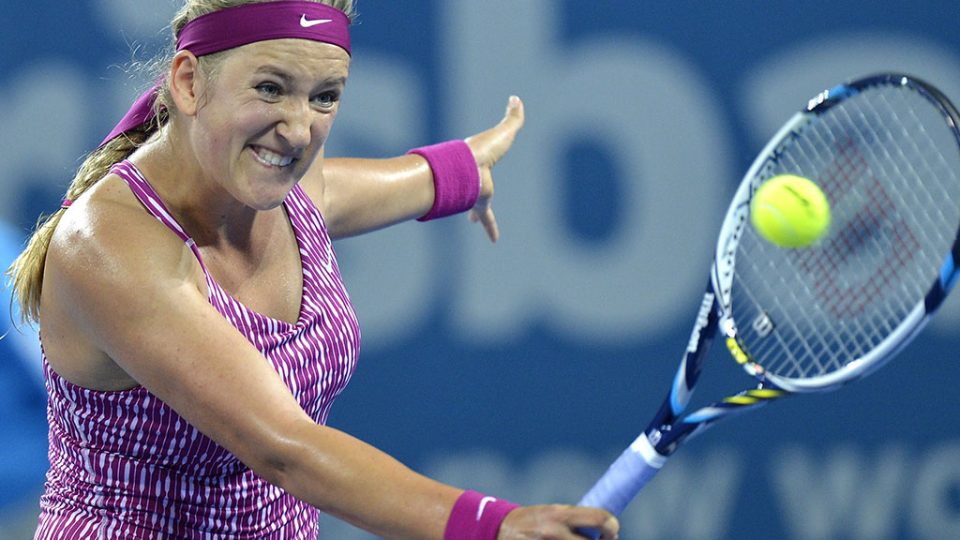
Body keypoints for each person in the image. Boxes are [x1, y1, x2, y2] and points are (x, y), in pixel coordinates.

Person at [7, 1, 620, 538]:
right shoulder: (108, 245)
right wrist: (493, 525)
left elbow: (342, 191)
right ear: (190, 82)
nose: (299, 129)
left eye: (324, 96)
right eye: (270, 89)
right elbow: (282, 447)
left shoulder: (280, 185)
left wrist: (459, 174)